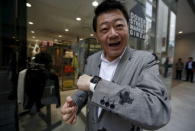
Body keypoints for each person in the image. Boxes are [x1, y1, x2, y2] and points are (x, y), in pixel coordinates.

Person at [61, 0, 171, 131]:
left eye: (119, 26)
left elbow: (158, 112)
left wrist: (95, 83)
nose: (113, 34)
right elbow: (86, 90)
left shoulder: (145, 60)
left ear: (128, 28)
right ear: (96, 36)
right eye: (104, 29)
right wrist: (76, 102)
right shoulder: (91, 60)